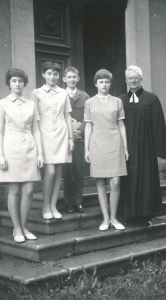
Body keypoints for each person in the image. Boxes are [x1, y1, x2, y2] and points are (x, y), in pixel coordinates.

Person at [0, 68, 44, 243]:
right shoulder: (2, 104)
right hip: (11, 149)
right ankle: (16, 228)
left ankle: (24, 226)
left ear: (24, 83)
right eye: (14, 81)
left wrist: (40, 153)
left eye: (20, 81)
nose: (17, 84)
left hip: (29, 149)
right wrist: (0, 155)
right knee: (14, 190)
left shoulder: (31, 104)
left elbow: (36, 130)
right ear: (9, 83)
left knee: (29, 190)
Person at [119, 65, 166, 225]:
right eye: (130, 78)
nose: (133, 80)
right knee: (128, 179)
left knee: (145, 181)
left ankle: (145, 216)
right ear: (126, 80)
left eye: (136, 78)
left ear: (141, 79)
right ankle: (128, 215)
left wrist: (158, 149)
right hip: (127, 148)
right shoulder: (120, 100)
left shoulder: (151, 99)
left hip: (146, 148)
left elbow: (158, 124)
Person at [84, 69, 129, 231]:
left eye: (107, 81)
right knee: (101, 181)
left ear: (110, 84)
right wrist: (86, 149)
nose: (104, 84)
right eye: (101, 81)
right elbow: (88, 127)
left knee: (115, 182)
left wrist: (125, 147)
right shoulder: (89, 103)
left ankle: (114, 218)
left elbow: (121, 125)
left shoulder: (117, 101)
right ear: (96, 83)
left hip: (115, 143)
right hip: (97, 144)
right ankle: (105, 219)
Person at [31, 61, 74, 220]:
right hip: (44, 135)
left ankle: (54, 205)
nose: (53, 77)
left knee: (58, 173)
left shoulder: (63, 93)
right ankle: (45, 206)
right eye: (49, 73)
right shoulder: (36, 93)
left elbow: (67, 115)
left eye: (55, 74)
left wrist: (70, 137)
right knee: (49, 171)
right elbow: (34, 119)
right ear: (43, 75)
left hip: (61, 133)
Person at [62, 66, 89, 213]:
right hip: (64, 139)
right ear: (64, 79)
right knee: (67, 171)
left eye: (74, 77)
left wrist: (80, 130)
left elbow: (89, 116)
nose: (72, 80)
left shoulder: (84, 96)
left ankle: (78, 202)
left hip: (79, 139)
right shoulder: (60, 95)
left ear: (78, 79)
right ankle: (68, 202)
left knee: (79, 170)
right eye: (69, 77)